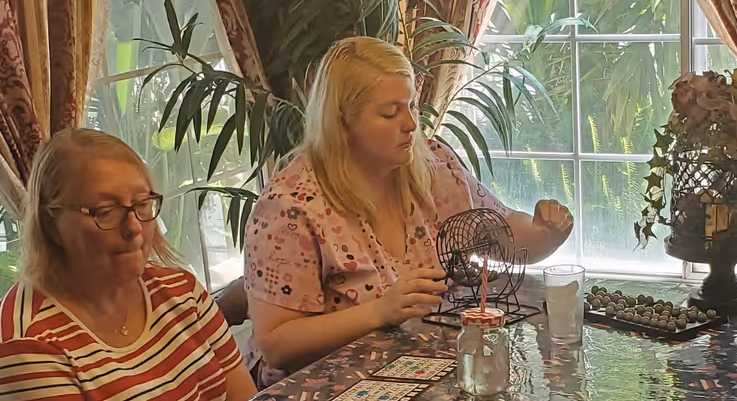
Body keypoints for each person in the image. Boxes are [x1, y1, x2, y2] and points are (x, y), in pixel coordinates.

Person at [242, 36, 574, 383]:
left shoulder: (434, 164)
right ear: (342, 121)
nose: (411, 124)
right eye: (390, 112)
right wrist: (379, 312)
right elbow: (276, 344)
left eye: (412, 106)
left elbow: (502, 232)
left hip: (421, 369)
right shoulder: (289, 205)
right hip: (323, 395)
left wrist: (546, 235)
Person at [0, 129, 256, 401]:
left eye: (142, 205)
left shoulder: (180, 292)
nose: (134, 228)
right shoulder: (25, 350)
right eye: (105, 212)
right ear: (51, 223)